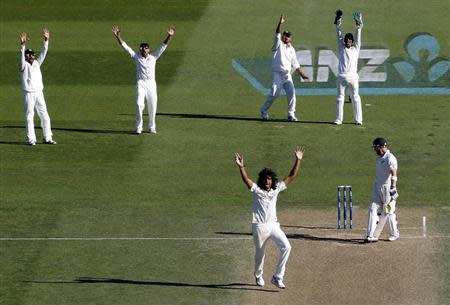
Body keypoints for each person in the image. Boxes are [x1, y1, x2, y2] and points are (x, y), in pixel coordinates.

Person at [234, 145, 305, 289]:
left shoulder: (276, 189)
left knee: (287, 247)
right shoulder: (256, 190)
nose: (268, 181)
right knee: (260, 255)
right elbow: (246, 180)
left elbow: (292, 176)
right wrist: (241, 167)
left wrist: (298, 160)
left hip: (273, 225)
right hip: (259, 227)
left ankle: (277, 277)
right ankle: (258, 275)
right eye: (266, 179)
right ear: (262, 180)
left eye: (270, 179)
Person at [112, 25, 175, 134]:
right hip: (140, 83)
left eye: (146, 48)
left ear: (149, 49)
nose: (144, 50)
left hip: (151, 84)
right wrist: (118, 36)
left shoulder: (154, 56)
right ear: (140, 49)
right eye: (142, 48)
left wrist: (169, 36)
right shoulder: (136, 56)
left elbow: (163, 47)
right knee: (139, 104)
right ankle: (138, 127)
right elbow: (126, 47)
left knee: (152, 105)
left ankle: (152, 127)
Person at [260, 15, 309, 122]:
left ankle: (291, 114)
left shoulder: (292, 49)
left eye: (288, 36)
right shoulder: (278, 44)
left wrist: (303, 75)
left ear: (291, 38)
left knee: (292, 93)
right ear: (282, 36)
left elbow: (296, 65)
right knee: (274, 94)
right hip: (277, 73)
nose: (286, 37)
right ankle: (263, 110)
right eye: (285, 35)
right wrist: (280, 23)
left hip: (287, 75)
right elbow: (277, 33)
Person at [19, 29, 56, 145]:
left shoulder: (36, 63)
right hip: (28, 93)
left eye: (33, 54)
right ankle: (31, 139)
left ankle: (47, 137)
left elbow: (43, 54)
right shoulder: (23, 66)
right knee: (30, 116)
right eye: (30, 54)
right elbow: (21, 56)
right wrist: (23, 45)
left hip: (39, 93)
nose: (32, 56)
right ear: (26, 56)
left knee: (45, 116)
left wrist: (46, 41)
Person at [366, 138, 400, 242]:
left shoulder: (390, 158)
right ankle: (371, 235)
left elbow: (394, 173)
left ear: (381, 147)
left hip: (387, 187)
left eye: (376, 148)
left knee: (388, 211)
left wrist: (393, 187)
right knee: (373, 208)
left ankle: (394, 233)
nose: (375, 150)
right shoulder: (379, 158)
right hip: (377, 185)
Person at [333, 10, 363, 126]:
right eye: (346, 41)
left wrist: (358, 26)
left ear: (352, 41)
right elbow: (338, 33)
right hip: (341, 77)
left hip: (353, 77)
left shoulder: (356, 48)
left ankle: (358, 120)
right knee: (340, 98)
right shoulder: (341, 47)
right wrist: (338, 21)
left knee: (356, 98)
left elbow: (358, 36)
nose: (348, 42)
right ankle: (339, 119)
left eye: (350, 41)